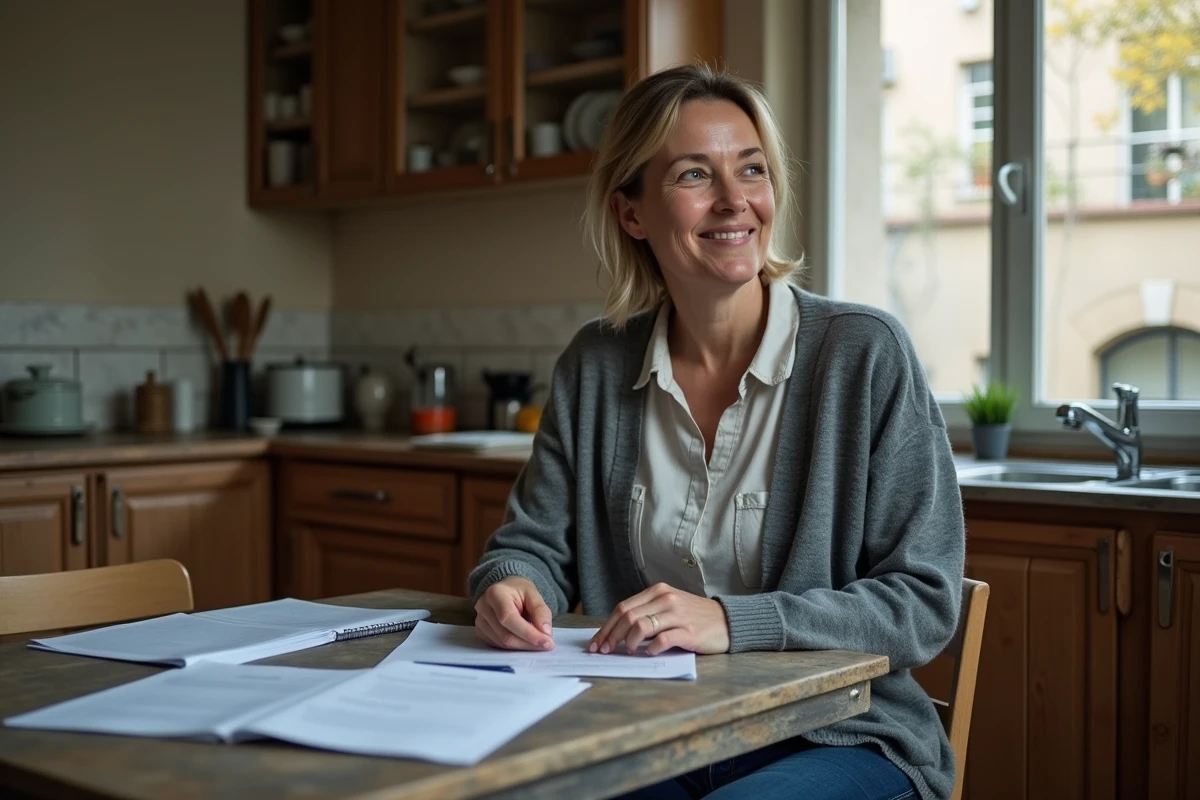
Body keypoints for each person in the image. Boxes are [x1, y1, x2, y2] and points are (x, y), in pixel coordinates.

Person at [468, 62, 965, 800]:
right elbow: (532, 546)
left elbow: (923, 602)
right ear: (632, 214)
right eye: (695, 175)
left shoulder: (864, 353)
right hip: (645, 729)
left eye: (752, 169)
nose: (736, 201)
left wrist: (732, 622)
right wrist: (510, 585)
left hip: (839, 734)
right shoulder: (595, 364)